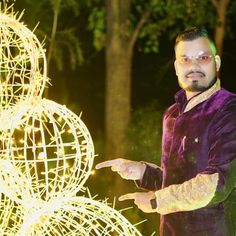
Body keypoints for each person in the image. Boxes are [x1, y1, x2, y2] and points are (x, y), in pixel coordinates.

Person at [96, 27, 236, 235]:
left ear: (216, 63)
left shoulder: (228, 109)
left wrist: (156, 200)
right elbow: (175, 180)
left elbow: (217, 183)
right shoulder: (172, 114)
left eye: (202, 58)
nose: (194, 66)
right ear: (176, 67)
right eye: (185, 59)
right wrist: (142, 171)